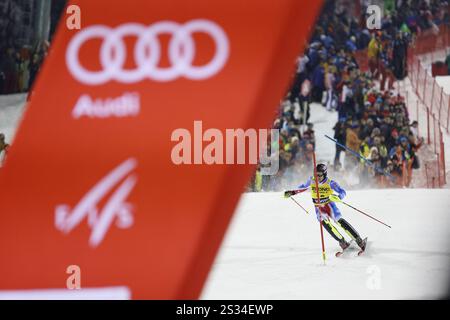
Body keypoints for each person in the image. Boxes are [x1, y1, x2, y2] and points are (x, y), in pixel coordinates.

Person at [283, 164, 366, 252]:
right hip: (319, 208)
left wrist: (339, 197)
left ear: (324, 174)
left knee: (339, 222)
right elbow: (303, 188)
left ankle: (359, 241)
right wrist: (292, 192)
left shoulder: (330, 183)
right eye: (315, 175)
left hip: (329, 206)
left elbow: (343, 192)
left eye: (319, 175)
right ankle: (343, 242)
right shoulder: (311, 180)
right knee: (327, 225)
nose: (317, 177)